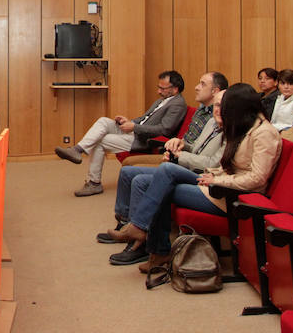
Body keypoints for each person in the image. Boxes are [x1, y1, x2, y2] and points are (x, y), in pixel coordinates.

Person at [108, 83, 282, 271]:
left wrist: (217, 180)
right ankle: (146, 237)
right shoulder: (246, 127)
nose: (222, 111)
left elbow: (257, 178)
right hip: (217, 184)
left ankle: (150, 241)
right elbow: (226, 166)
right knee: (159, 177)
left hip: (233, 196)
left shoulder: (264, 133)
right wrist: (214, 175)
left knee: (164, 182)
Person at [100, 87, 227, 266]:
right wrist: (180, 145)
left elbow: (213, 164)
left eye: (222, 105)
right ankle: (126, 225)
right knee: (132, 174)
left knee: (161, 175)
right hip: (193, 167)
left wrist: (179, 157)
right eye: (215, 105)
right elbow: (196, 147)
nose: (216, 109)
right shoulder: (212, 122)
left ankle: (139, 238)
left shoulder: (234, 131)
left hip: (207, 179)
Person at [55, 70, 187, 197]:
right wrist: (128, 121)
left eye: (162, 88)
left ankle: (94, 183)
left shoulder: (178, 104)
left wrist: (134, 127)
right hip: (136, 132)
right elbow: (144, 119)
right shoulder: (161, 100)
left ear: (175, 89)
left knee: (100, 140)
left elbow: (164, 130)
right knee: (104, 121)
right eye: (158, 87)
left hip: (144, 140)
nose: (159, 91)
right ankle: (77, 150)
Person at [121, 71, 228, 167]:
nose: (196, 87)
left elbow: (201, 152)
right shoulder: (201, 110)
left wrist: (179, 154)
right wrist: (177, 146)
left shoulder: (217, 119)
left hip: (189, 159)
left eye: (202, 84)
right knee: (128, 163)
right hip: (180, 151)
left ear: (215, 91)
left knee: (131, 167)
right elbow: (191, 144)